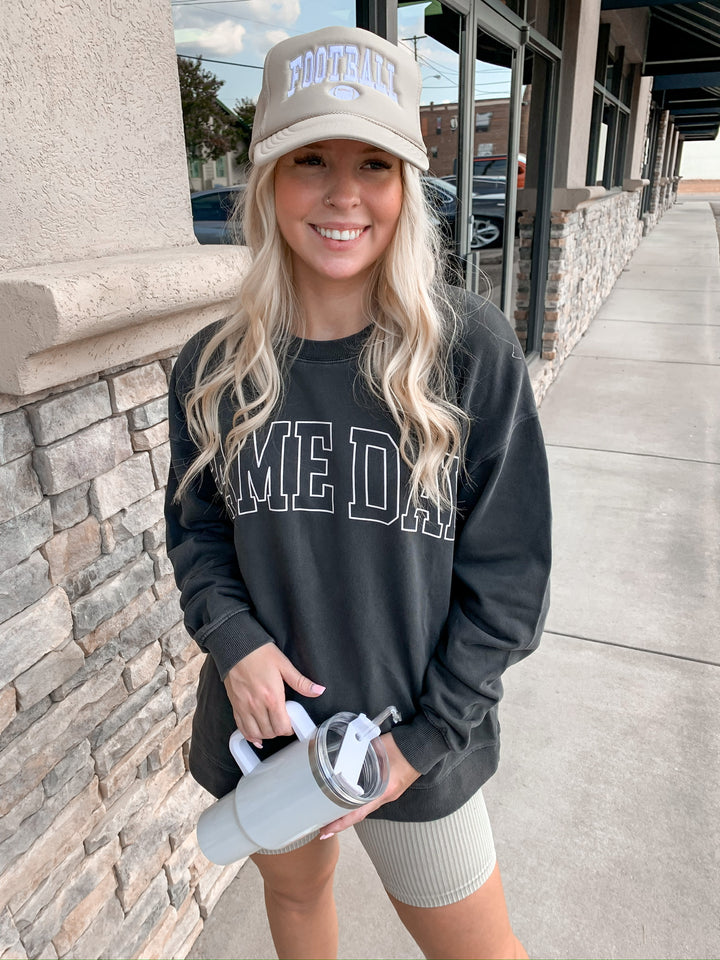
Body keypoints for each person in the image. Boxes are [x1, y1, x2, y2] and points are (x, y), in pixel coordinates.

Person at [166, 24, 551, 960]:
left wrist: (420, 744)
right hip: (270, 739)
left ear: (406, 186)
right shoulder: (214, 367)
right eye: (310, 160)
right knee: (297, 910)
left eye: (373, 163)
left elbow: (509, 585)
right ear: (268, 180)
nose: (343, 195)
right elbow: (197, 533)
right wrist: (233, 640)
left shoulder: (468, 352)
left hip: (417, 750)